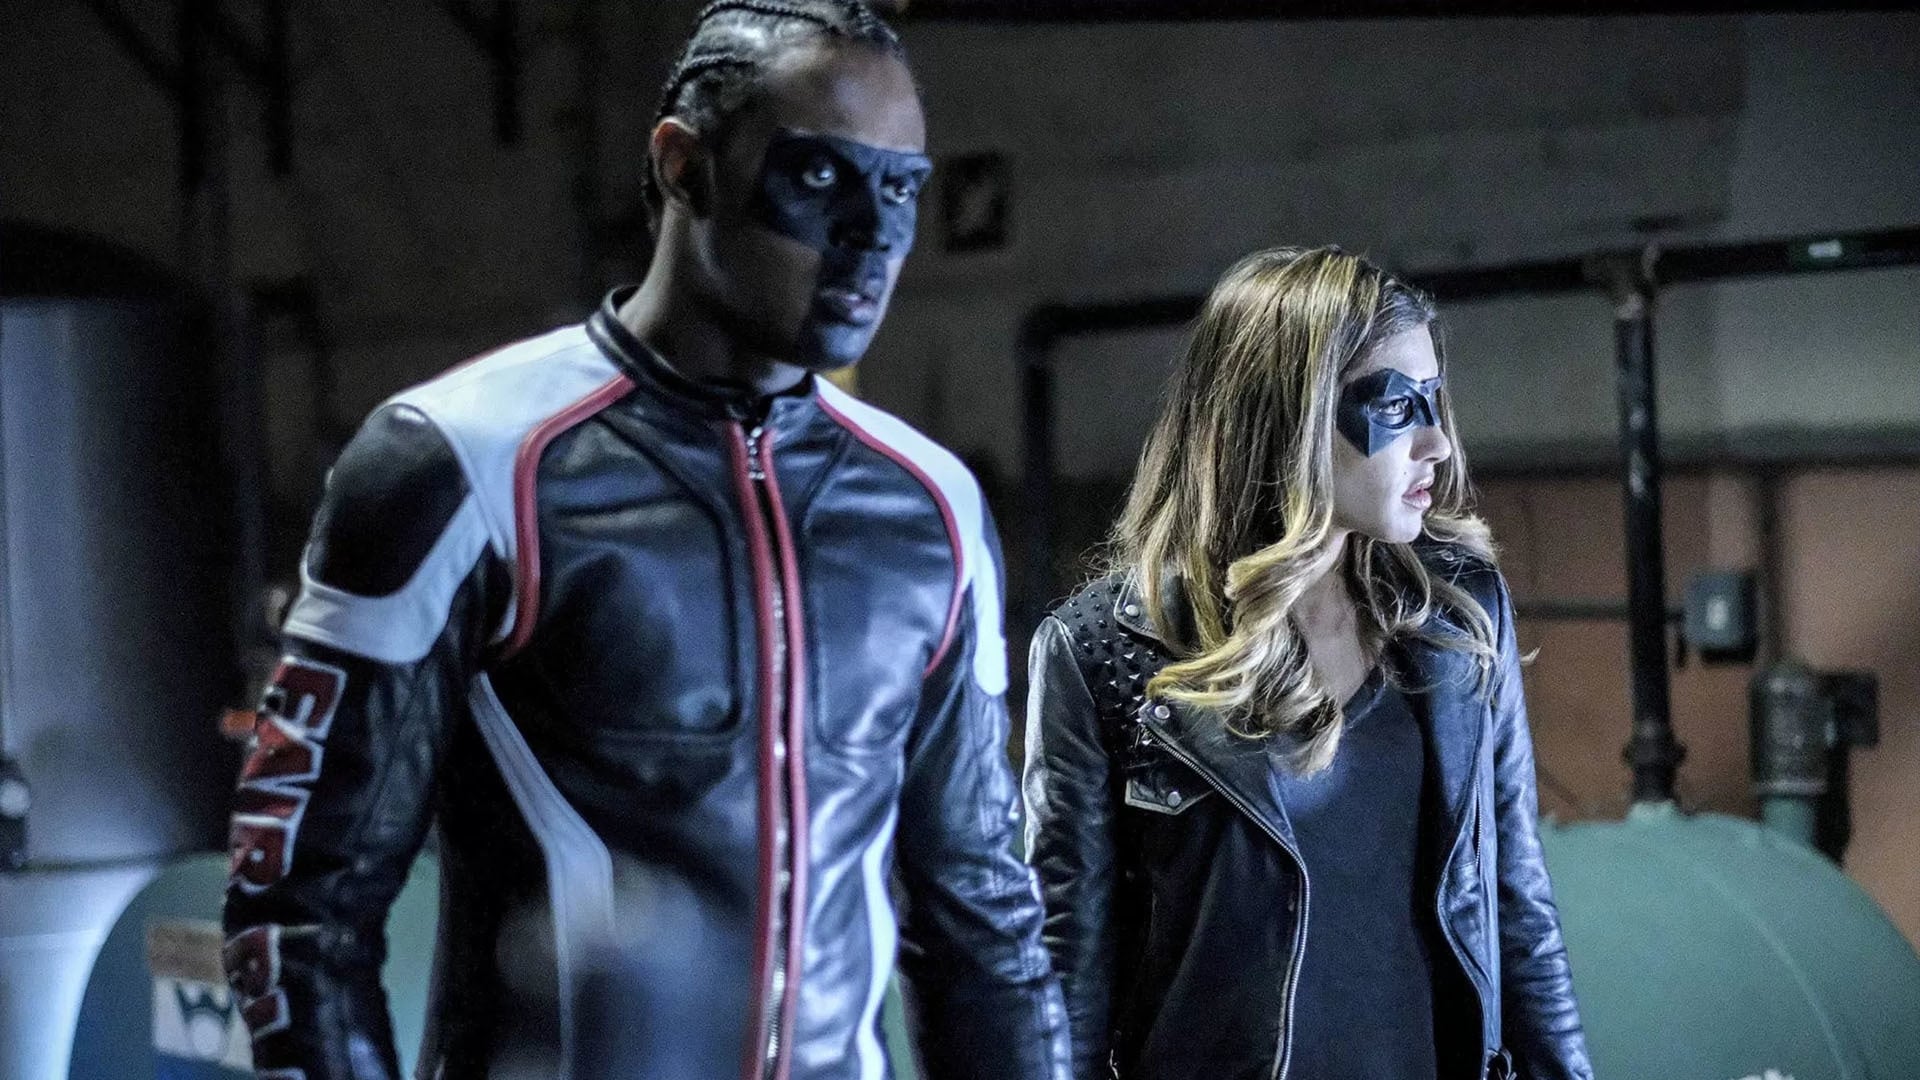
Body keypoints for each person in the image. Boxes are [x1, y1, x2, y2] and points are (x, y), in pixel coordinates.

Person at [221, 3, 1070, 1078]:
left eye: (901, 189)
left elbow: (983, 927)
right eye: (820, 177)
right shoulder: (459, 462)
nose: (873, 236)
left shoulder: (931, 507)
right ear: (684, 166)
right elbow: (300, 914)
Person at [1022, 247, 1592, 1080]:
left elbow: (1518, 909)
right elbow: (1066, 981)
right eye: (1395, 404)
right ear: (1288, 417)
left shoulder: (1458, 613)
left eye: (1433, 398)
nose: (1437, 441)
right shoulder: (1101, 652)